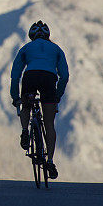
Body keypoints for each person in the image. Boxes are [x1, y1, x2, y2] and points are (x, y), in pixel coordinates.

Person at [10, 20, 69, 179]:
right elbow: (64, 76)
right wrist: (57, 95)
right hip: (49, 79)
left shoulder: (26, 48)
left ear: (31, 36)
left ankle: (24, 131)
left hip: (30, 77)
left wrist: (15, 97)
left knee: (27, 107)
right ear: (48, 36)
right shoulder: (56, 49)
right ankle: (49, 160)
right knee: (49, 123)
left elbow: (15, 76)